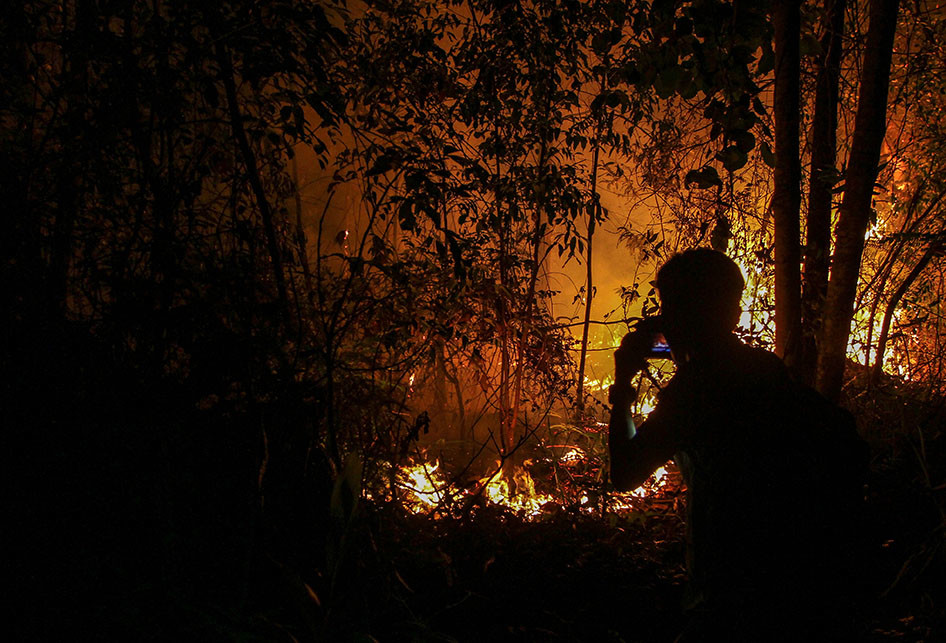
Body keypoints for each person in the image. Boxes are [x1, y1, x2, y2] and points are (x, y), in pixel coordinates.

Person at [608, 249, 867, 642]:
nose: (664, 317)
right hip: (798, 581)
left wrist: (624, 385)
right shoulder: (763, 368)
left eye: (670, 305)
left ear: (684, 311)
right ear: (732, 312)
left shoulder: (694, 392)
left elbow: (625, 473)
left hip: (730, 593)